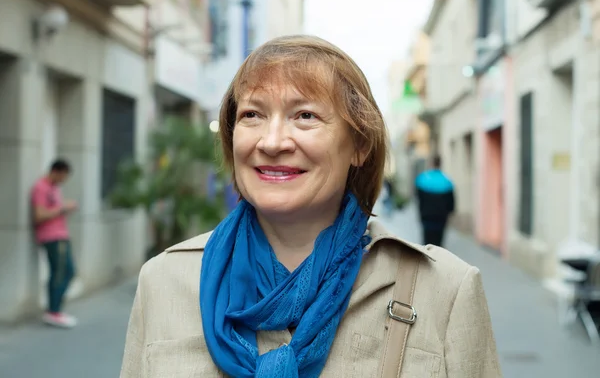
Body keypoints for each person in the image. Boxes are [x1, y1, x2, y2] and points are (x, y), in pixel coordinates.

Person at [121, 35, 501, 377]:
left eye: (305, 116)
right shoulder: (164, 281)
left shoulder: (444, 291)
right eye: (252, 115)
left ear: (359, 146)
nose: (271, 142)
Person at [31, 159, 78, 328]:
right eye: (64, 175)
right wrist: (64, 208)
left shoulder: (54, 188)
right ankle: (53, 311)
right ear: (57, 171)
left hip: (60, 235)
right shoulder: (41, 187)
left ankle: (55, 309)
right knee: (60, 272)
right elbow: (39, 215)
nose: (64, 180)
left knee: (67, 271)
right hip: (52, 237)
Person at [415, 155, 455, 247]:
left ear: (431, 163)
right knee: (438, 243)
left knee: (427, 242)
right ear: (440, 164)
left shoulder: (422, 179)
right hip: (441, 218)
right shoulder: (447, 181)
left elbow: (419, 199)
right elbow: (451, 204)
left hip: (427, 217)